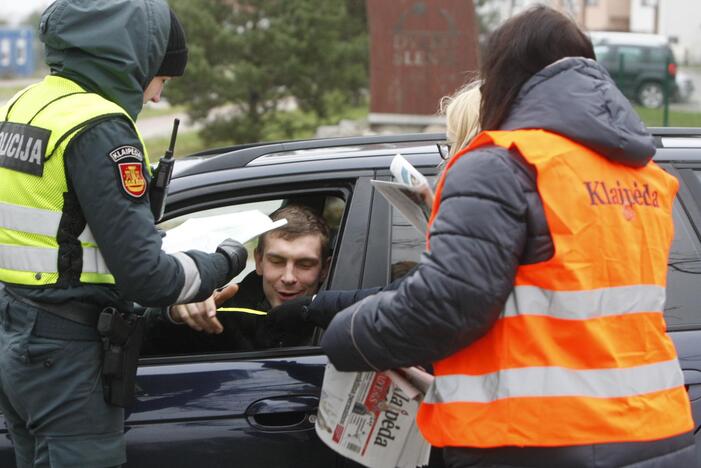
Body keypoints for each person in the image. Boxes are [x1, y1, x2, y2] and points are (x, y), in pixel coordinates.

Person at [321, 6, 695, 468]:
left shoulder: (502, 162)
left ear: (500, 77)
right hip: (656, 430)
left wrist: (347, 333)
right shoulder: (643, 177)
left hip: (537, 441)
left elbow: (449, 303)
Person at [0, 1, 246, 467]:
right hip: (66, 355)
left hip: (17, 338)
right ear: (136, 58)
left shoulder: (24, 105)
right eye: (162, 80)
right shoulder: (101, 128)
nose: (156, 97)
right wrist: (226, 259)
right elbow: (149, 279)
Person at [266, 83, 483, 332]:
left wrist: (316, 312)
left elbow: (415, 298)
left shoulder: (483, 219)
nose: (445, 161)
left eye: (450, 146)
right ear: (258, 261)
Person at [150, 204, 332, 353]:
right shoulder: (223, 311)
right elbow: (143, 345)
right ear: (259, 261)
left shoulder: (342, 313)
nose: (288, 277)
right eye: (277, 261)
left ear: (324, 269)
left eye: (305, 264)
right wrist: (175, 313)